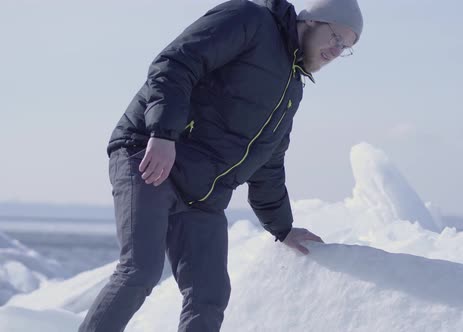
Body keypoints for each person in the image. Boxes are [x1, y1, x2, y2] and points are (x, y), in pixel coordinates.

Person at [78, 0, 363, 330]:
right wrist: (164, 134)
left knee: (209, 292)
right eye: (336, 37)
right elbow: (177, 63)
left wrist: (282, 227)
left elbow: (268, 162)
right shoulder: (250, 19)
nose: (337, 50)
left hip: (202, 193)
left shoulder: (291, 90)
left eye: (346, 47)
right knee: (140, 270)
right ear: (312, 22)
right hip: (148, 155)